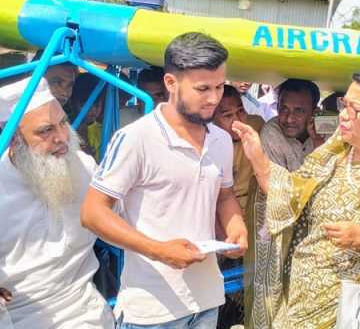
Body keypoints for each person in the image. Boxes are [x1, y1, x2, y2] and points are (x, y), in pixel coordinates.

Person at [233, 68, 360, 328]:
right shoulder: (332, 156)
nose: (343, 115)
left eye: (355, 109)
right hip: (304, 304)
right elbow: (290, 196)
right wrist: (259, 159)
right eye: (343, 105)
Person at [81, 32, 248, 328]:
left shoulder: (221, 140)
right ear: (171, 83)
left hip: (207, 301)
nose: (214, 98)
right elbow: (93, 213)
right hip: (153, 310)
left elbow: (224, 195)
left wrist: (235, 225)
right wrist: (159, 250)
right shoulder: (136, 138)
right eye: (203, 89)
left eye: (220, 87)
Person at [0, 78, 113, 328]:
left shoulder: (84, 167)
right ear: (14, 139)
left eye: (62, 122)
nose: (62, 137)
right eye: (45, 130)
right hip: (12, 317)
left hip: (84, 312)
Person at [211, 84, 264, 329]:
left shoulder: (255, 128)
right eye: (227, 115)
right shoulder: (210, 142)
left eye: (240, 112)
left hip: (251, 220)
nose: (237, 120)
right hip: (220, 223)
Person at [260, 79, 324, 172]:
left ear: (315, 112)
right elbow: (276, 184)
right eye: (284, 109)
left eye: (299, 111)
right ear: (277, 107)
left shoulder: (327, 131)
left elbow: (332, 179)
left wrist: (318, 142)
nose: (289, 119)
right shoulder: (271, 133)